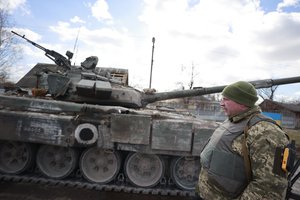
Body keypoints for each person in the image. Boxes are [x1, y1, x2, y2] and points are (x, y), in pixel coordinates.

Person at [197, 81, 289, 199]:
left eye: (226, 100)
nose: (221, 104)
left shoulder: (266, 132)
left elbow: (269, 188)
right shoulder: (233, 120)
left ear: (243, 103)